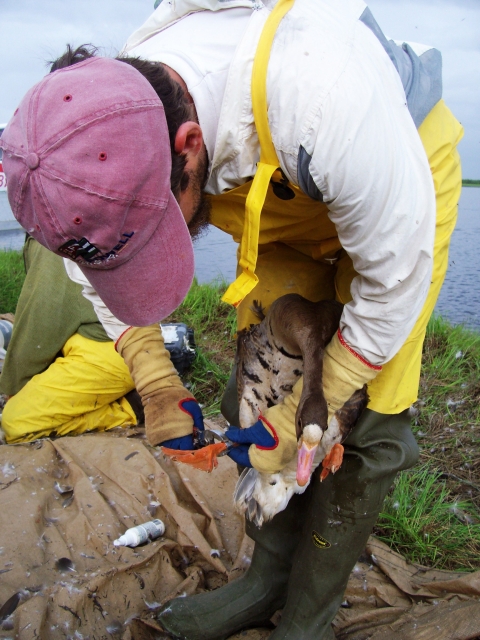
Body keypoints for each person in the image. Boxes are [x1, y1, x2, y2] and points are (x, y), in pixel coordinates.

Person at [0, 0, 463, 637]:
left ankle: (308, 618)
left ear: (189, 147)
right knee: (261, 379)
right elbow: (91, 263)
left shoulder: (325, 91)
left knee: (358, 420)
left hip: (393, 179)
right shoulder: (100, 136)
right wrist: (156, 380)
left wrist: (320, 394)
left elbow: (390, 291)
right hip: (276, 203)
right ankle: (264, 581)